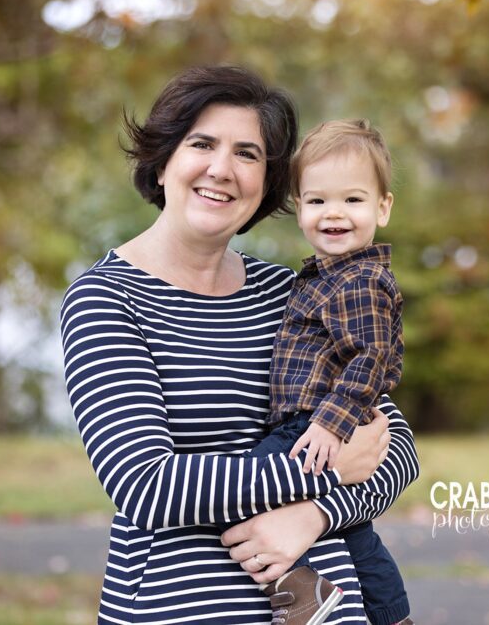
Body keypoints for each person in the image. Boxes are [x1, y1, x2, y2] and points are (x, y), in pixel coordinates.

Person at [59, 65, 420, 624]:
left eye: (248, 154)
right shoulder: (106, 298)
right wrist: (320, 472)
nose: (222, 169)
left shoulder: (293, 292)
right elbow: (145, 485)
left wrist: (313, 516)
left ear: (268, 182)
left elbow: (393, 448)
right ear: (162, 163)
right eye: (201, 144)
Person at [219, 119, 412, 625]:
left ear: (383, 207)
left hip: (312, 423)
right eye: (318, 201)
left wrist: (331, 422)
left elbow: (372, 359)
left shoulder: (359, 281)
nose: (334, 214)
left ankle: (301, 589)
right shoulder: (322, 278)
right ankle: (392, 615)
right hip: (317, 420)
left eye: (353, 200)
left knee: (249, 487)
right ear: (299, 208)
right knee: (357, 531)